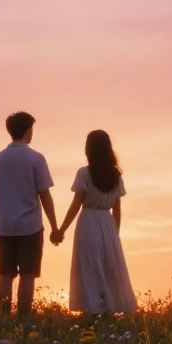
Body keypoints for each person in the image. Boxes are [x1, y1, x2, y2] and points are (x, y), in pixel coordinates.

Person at [0, 112, 60, 318]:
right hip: (30, 226)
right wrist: (54, 227)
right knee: (28, 275)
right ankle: (24, 319)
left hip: (5, 225)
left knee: (6, 274)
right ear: (28, 130)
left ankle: (4, 317)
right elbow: (45, 195)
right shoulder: (36, 158)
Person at [52, 130, 136, 314]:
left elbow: (76, 204)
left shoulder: (84, 173)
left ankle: (92, 308)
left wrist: (61, 229)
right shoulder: (115, 175)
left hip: (89, 221)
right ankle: (109, 306)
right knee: (108, 265)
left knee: (90, 264)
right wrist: (115, 233)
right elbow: (117, 208)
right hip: (108, 222)